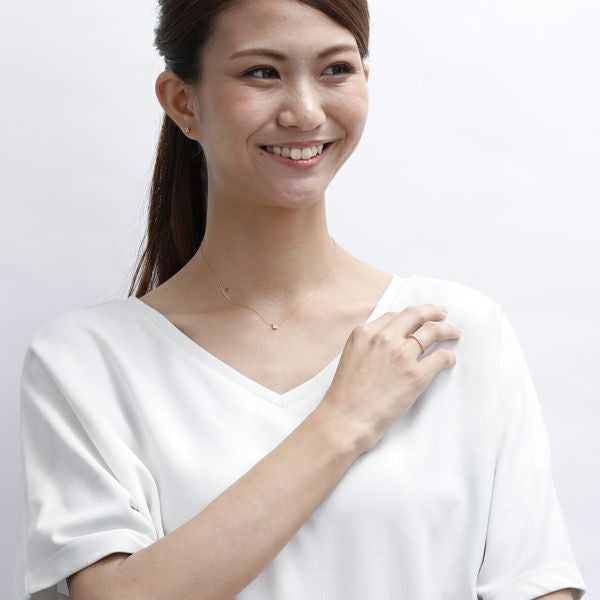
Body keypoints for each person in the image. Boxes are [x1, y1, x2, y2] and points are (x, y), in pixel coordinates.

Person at [15, 1, 587, 599]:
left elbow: (537, 586)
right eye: (262, 72)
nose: (306, 112)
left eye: (336, 69)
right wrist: (341, 422)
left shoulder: (454, 334)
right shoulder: (87, 360)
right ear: (183, 102)